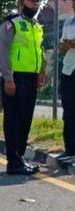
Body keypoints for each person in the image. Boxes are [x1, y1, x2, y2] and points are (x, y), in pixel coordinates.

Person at [0, 0, 45, 175]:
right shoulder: (11, 23)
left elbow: (39, 50)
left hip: (31, 77)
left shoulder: (36, 26)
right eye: (32, 1)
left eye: (38, 2)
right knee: (13, 120)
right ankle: (13, 161)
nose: (35, 4)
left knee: (25, 119)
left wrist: (41, 72)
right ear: (21, 2)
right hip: (15, 77)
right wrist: (8, 79)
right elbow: (3, 51)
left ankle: (20, 158)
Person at [58, 0, 75, 163]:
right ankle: (69, 149)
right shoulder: (69, 21)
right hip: (69, 70)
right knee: (68, 111)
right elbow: (61, 46)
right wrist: (67, 44)